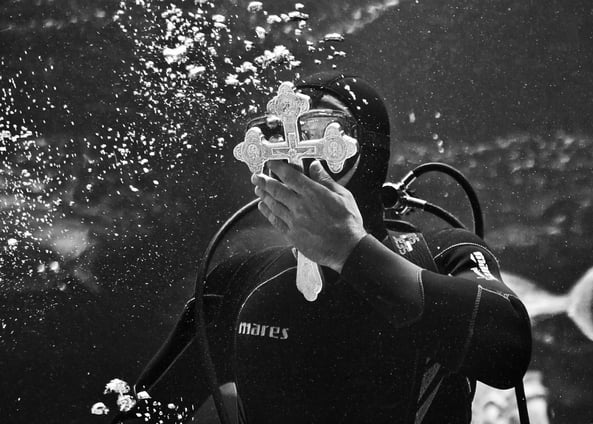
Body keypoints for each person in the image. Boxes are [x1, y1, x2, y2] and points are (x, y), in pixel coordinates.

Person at [125, 72, 532, 424]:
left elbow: (508, 353)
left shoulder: (442, 253)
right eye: (281, 134)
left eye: (322, 130)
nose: (299, 154)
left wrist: (349, 249)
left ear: (367, 153)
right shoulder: (238, 281)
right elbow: (140, 414)